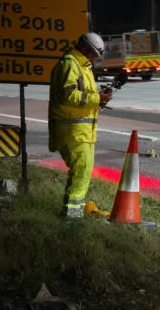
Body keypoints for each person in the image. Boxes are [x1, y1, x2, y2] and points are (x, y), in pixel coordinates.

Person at [47, 32, 113, 218]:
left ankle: (73, 210)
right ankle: (71, 214)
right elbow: (67, 96)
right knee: (81, 170)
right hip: (72, 130)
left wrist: (99, 100)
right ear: (85, 49)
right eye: (93, 54)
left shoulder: (83, 67)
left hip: (82, 130)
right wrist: (96, 98)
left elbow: (85, 98)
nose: (94, 58)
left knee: (83, 170)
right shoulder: (70, 64)